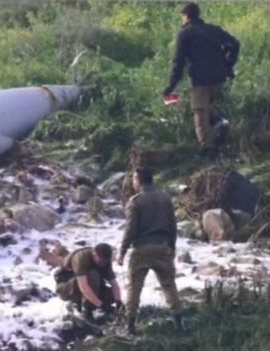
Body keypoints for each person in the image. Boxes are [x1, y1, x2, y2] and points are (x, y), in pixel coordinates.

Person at [163, 2, 240, 160]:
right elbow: (235, 44)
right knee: (205, 108)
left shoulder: (184, 34)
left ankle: (208, 149)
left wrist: (171, 86)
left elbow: (179, 62)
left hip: (201, 81)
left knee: (199, 111)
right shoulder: (213, 29)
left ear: (186, 16)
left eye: (182, 17)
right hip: (219, 78)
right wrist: (228, 64)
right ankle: (221, 124)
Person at [117, 168, 183, 335]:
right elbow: (172, 226)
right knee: (169, 285)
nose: (133, 182)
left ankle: (131, 326)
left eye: (133, 179)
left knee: (134, 286)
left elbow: (130, 230)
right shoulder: (165, 198)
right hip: (162, 246)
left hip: (142, 249)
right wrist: (172, 247)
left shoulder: (135, 202)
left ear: (138, 180)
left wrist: (122, 251)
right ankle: (179, 322)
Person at [51, 243, 123, 322]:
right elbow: (84, 287)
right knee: (93, 275)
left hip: (86, 286)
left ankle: (87, 305)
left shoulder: (105, 261)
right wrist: (101, 305)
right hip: (65, 288)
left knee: (111, 295)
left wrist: (118, 302)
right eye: (100, 261)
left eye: (105, 262)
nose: (103, 264)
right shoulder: (81, 258)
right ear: (94, 254)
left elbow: (114, 284)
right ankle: (86, 310)